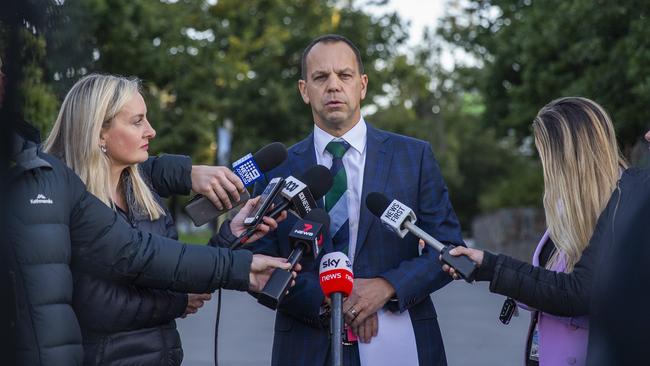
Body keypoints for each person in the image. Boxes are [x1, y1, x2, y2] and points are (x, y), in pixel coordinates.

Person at [2, 66, 296, 366]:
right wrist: (179, 299)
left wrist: (232, 236)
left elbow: (174, 268)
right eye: (137, 121)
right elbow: (96, 305)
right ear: (99, 132)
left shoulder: (145, 195)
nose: (151, 131)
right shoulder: (65, 202)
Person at [251, 34, 464, 366]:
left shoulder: (414, 156)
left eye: (344, 75)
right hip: (307, 344)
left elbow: (449, 247)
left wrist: (386, 286)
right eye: (320, 77)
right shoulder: (276, 169)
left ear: (362, 85)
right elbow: (259, 258)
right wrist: (332, 300)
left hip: (399, 336)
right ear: (304, 90)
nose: (333, 86)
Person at [442, 97, 627, 366]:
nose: (544, 165)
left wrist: (494, 269)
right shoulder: (569, 207)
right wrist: (484, 266)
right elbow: (548, 284)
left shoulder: (624, 208)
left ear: (569, 152)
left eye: (545, 153)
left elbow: (576, 294)